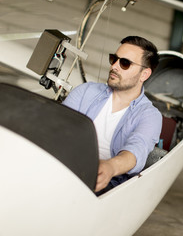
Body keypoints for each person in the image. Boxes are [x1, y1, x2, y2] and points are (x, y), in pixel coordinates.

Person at [63, 36, 162, 194]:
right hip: (65, 165)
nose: (114, 66)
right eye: (113, 59)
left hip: (106, 182)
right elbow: (60, 128)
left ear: (144, 74)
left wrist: (110, 167)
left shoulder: (150, 116)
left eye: (125, 63)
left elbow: (136, 150)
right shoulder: (85, 91)